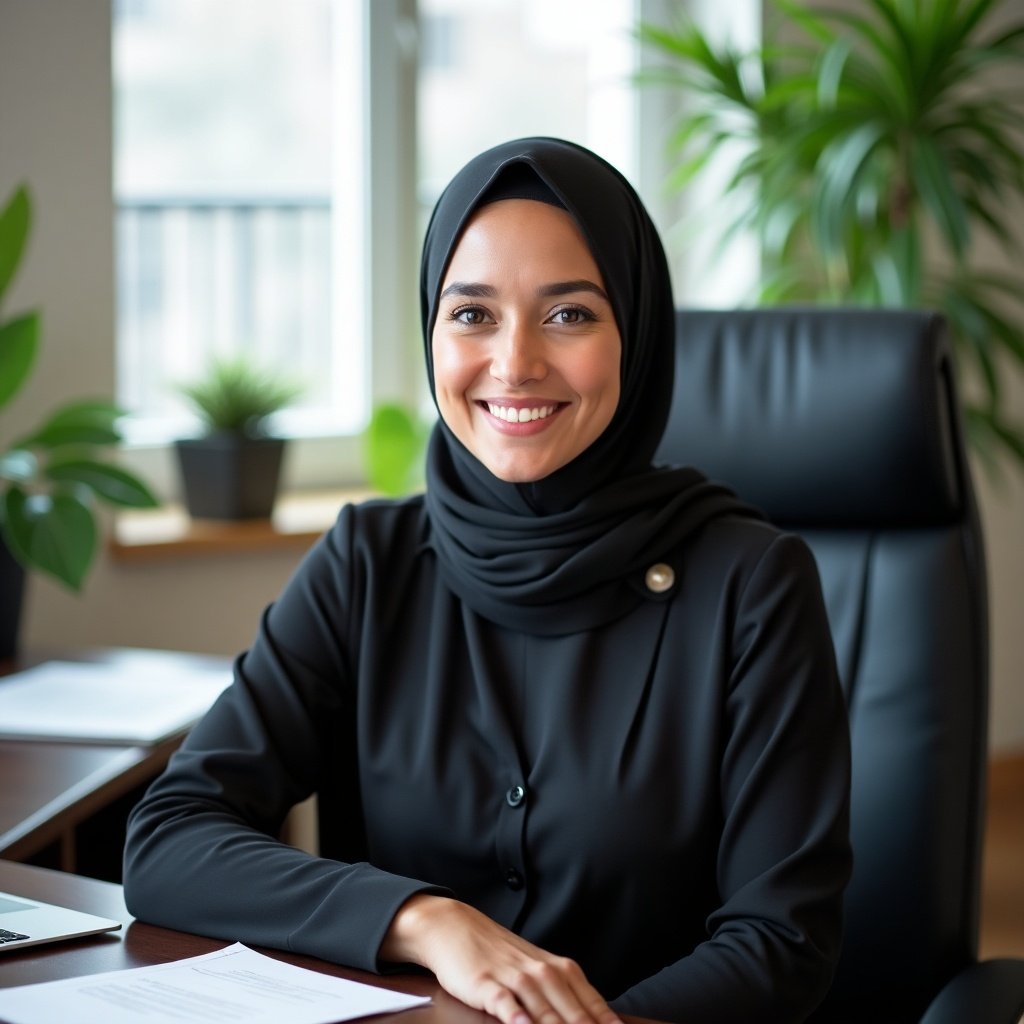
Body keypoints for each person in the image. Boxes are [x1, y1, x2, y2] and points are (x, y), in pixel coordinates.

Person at [124, 137, 851, 1024]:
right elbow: (171, 837)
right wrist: (424, 921)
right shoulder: (368, 563)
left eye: (571, 315)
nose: (514, 364)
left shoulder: (751, 586)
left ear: (638, 333)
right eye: (472, 314)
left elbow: (781, 942)